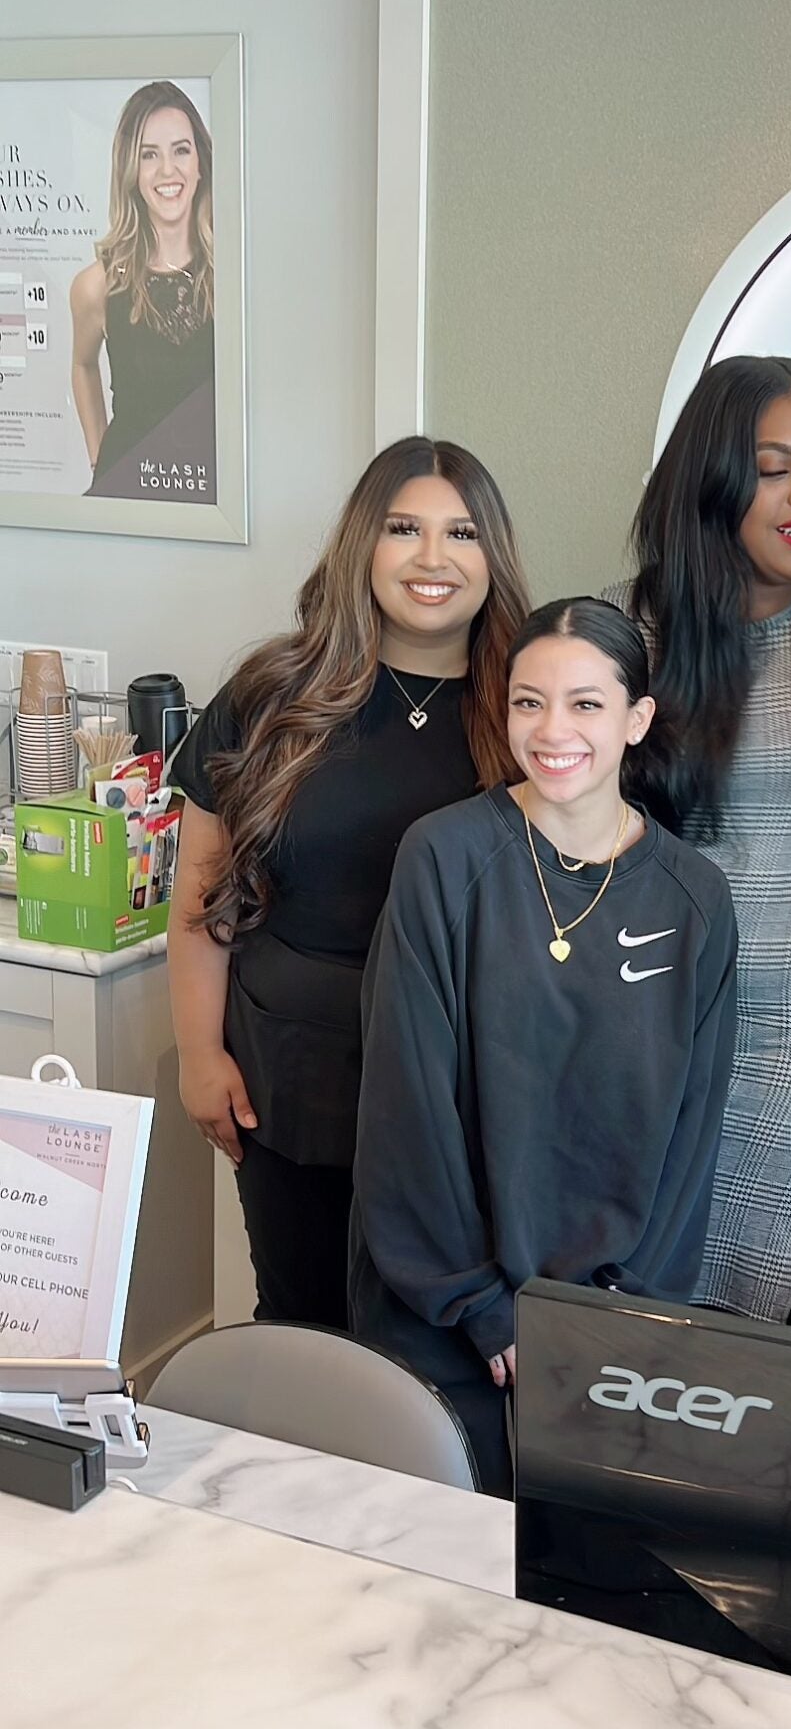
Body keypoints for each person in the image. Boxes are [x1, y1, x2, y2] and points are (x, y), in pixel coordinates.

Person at [349, 598, 738, 1493]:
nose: (553, 730)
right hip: (445, 1309)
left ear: (637, 719)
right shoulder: (444, 857)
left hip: (605, 1327)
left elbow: (693, 1134)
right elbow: (407, 1108)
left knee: (579, 1559)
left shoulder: (695, 898)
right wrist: (484, 1307)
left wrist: (616, 1316)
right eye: (529, 702)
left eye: (586, 704)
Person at [168, 437, 528, 1329]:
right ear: (363, 543)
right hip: (290, 1075)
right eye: (404, 528)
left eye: (462, 533)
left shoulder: (534, 712)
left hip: (462, 1088)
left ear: (494, 556)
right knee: (303, 1329)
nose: (433, 558)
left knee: (437, 1341)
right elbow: (202, 902)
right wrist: (199, 1057)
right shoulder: (271, 695)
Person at [614, 354, 791, 1323]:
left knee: (729, 1323)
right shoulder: (626, 637)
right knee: (624, 1307)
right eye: (775, 469)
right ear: (713, 480)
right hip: (652, 1019)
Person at [71, 81, 217, 503]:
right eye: (149, 154)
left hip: (218, 508)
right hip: (127, 500)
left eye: (180, 150)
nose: (167, 170)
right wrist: (99, 460)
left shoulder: (235, 277)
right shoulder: (97, 285)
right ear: (131, 171)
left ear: (201, 164)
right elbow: (82, 365)